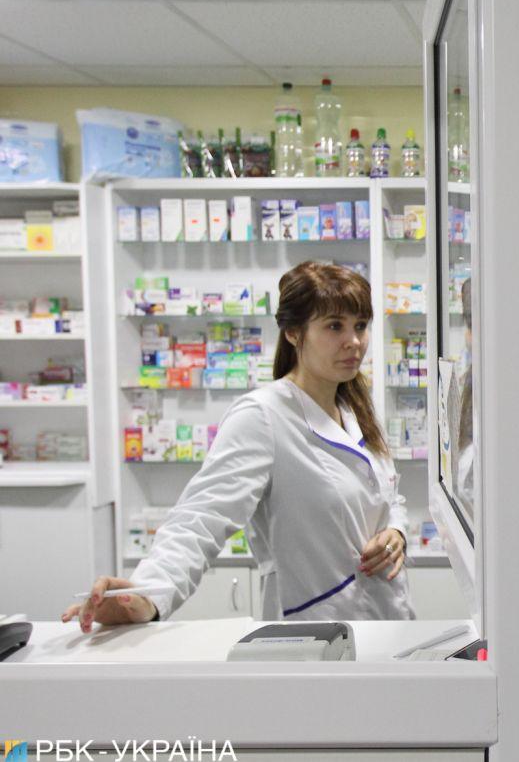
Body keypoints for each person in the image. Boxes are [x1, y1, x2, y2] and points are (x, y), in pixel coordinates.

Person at [63, 262, 416, 631]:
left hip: (389, 618)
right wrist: (148, 595)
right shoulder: (263, 416)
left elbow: (388, 495)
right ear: (294, 333)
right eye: (334, 326)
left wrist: (396, 531)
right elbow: (201, 517)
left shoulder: (355, 406)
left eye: (360, 326)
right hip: (318, 630)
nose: (354, 341)